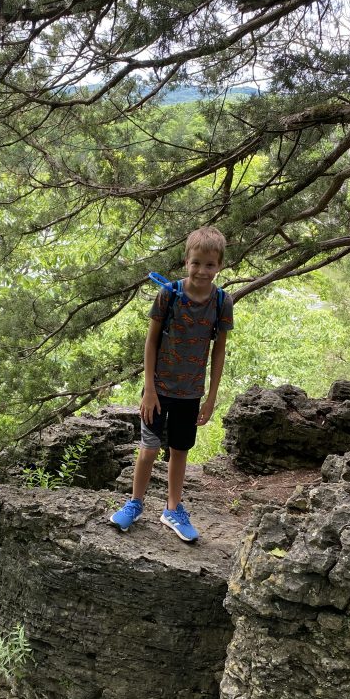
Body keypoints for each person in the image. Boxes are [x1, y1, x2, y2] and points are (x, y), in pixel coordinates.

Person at [110, 227, 233, 541]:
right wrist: (149, 389)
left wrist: (210, 397)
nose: (202, 271)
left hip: (191, 394)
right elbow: (150, 343)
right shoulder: (169, 294)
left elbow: (218, 350)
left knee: (179, 451)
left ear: (219, 265)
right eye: (196, 263)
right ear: (186, 261)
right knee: (149, 449)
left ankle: (173, 508)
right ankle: (135, 502)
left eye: (209, 265)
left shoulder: (221, 301)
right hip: (159, 391)